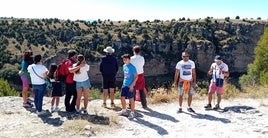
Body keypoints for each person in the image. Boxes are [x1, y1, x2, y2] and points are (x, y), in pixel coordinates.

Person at [119, 54, 138, 119]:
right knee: (122, 97)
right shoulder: (124, 66)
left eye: (126, 59)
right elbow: (125, 76)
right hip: (124, 84)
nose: (124, 61)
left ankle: (132, 112)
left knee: (131, 99)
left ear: (129, 59)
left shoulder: (132, 67)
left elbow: (136, 77)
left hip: (130, 85)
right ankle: (124, 110)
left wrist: (132, 85)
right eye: (124, 60)